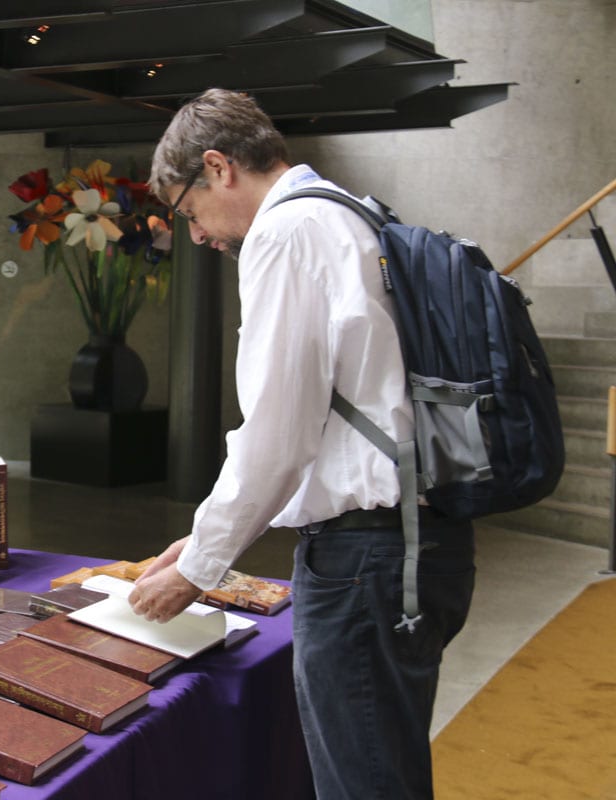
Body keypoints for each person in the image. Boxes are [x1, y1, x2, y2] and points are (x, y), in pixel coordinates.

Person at [128, 88, 476, 799]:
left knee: (364, 784)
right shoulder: (349, 211)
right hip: (418, 538)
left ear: (219, 167)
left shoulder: (287, 233)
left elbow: (277, 436)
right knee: (386, 771)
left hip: (366, 558)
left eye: (189, 211)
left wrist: (199, 566)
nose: (196, 235)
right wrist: (197, 543)